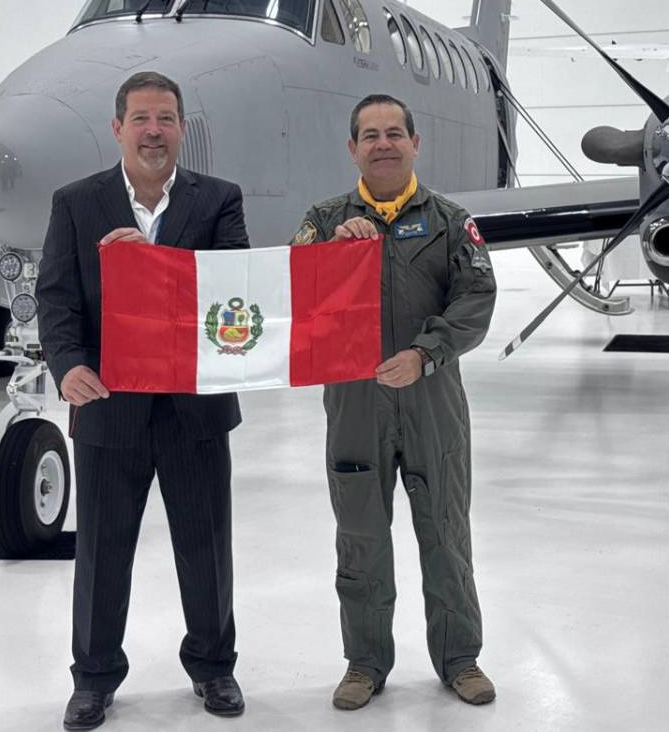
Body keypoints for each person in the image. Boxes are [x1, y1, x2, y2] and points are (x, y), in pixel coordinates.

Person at [36, 71, 249, 729]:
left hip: (194, 408)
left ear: (182, 128)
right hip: (108, 404)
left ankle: (214, 669)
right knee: (101, 552)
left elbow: (233, 287)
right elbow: (57, 297)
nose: (153, 131)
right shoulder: (77, 203)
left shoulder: (218, 200)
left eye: (165, 119)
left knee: (206, 546)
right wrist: (68, 364)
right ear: (118, 128)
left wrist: (154, 261)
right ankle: (93, 679)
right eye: (141, 119)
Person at [292, 93, 498, 710]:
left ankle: (460, 659)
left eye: (394, 133)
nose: (383, 144)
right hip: (355, 407)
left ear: (415, 143)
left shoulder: (449, 220)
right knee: (360, 538)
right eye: (370, 135)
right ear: (352, 149)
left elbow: (476, 302)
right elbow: (295, 299)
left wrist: (425, 353)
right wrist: (333, 252)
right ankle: (364, 663)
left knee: (445, 535)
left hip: (432, 403)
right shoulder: (324, 221)